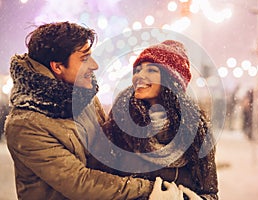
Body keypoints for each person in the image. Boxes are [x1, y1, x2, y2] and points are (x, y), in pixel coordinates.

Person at [4, 21, 183, 200]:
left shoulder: (82, 97)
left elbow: (109, 151)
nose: (94, 65)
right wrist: (149, 190)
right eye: (84, 59)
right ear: (57, 66)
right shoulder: (26, 124)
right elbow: (80, 182)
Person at [103, 40, 219, 199]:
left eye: (151, 70)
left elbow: (210, 193)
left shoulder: (198, 132)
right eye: (138, 70)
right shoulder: (119, 123)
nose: (139, 76)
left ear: (170, 80)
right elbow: (101, 186)